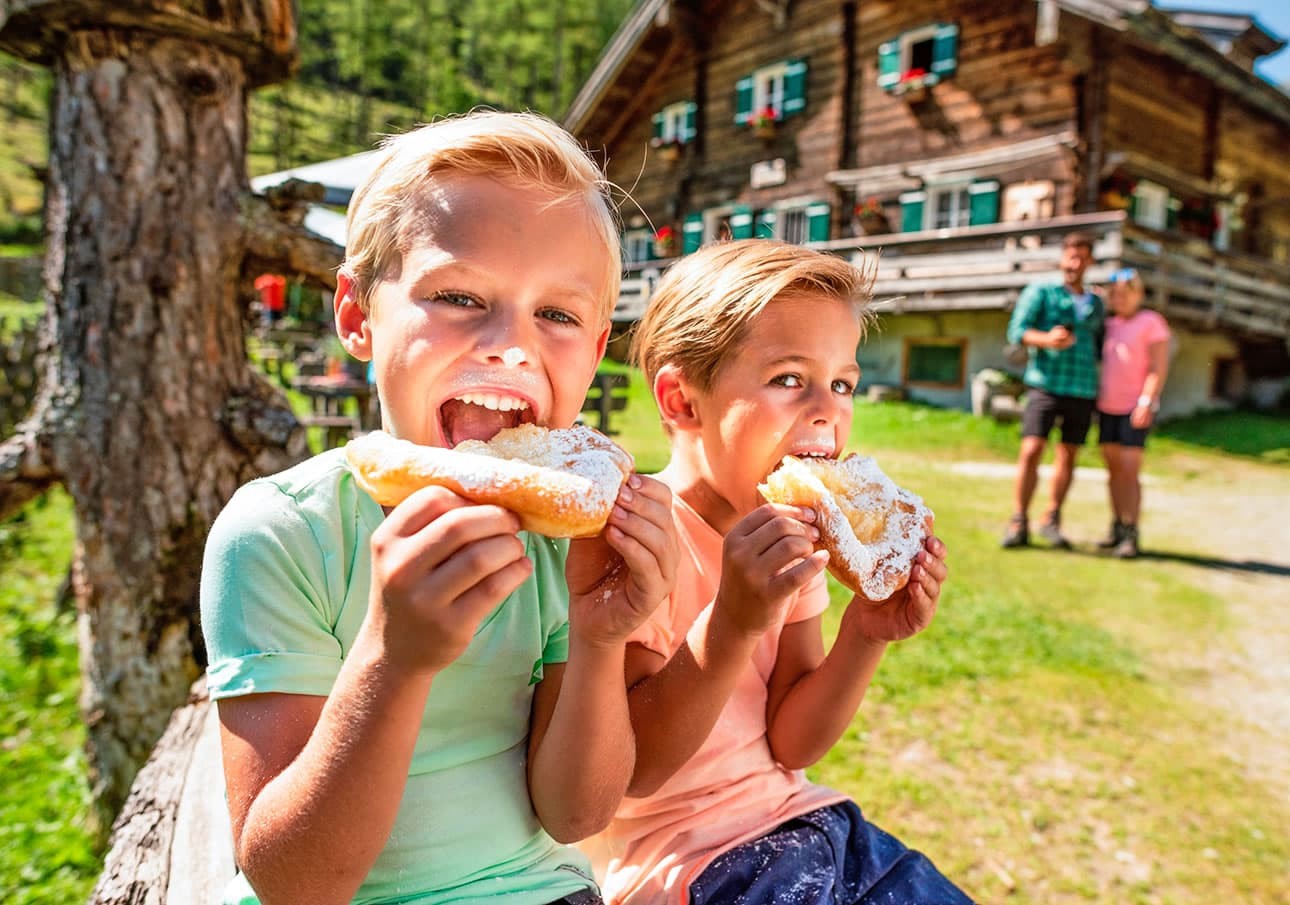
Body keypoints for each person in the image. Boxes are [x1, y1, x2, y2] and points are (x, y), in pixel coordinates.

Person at [200, 111, 677, 905]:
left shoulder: (567, 545)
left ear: (595, 352)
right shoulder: (280, 532)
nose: (512, 343)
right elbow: (292, 880)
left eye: (556, 314)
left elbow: (576, 814)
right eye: (459, 295)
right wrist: (395, 658)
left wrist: (601, 638)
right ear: (357, 315)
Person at [590, 240, 972, 905]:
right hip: (690, 865)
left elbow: (792, 743)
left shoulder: (797, 535)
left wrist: (866, 632)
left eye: (843, 382)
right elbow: (636, 772)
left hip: (815, 826)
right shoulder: (637, 536)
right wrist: (733, 622)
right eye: (790, 378)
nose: (828, 407)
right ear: (682, 400)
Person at [1001, 231, 1105, 549]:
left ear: (1089, 261)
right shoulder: (1041, 292)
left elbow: (1101, 343)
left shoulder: (1097, 302)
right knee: (1031, 450)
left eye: (1081, 256)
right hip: (1045, 384)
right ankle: (1018, 520)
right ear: (1062, 259)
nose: (1074, 262)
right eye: (1070, 255)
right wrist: (1047, 340)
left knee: (1069, 454)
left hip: (1083, 388)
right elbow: (1017, 331)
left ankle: (1052, 518)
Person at [1095, 268, 1171, 559]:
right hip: (1107, 408)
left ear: (1138, 294)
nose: (1120, 299)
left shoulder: (1152, 322)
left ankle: (1131, 530)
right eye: (1114, 294)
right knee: (1113, 471)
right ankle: (1116, 527)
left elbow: (1158, 367)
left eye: (1126, 293)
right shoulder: (1109, 324)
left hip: (1133, 408)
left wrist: (1146, 402)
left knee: (1129, 471)